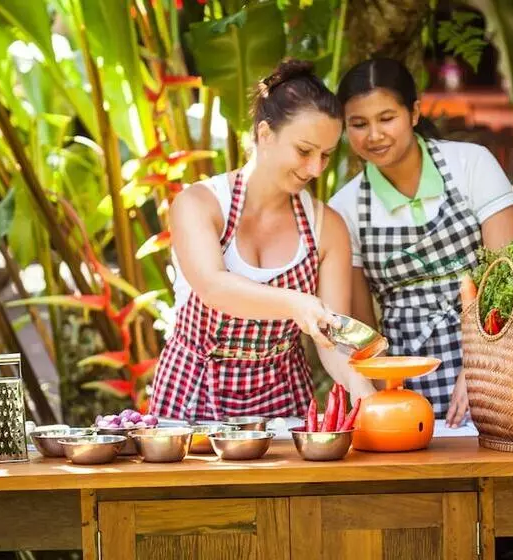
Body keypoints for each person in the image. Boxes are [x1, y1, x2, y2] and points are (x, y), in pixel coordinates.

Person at [149, 59, 375, 422]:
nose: (316, 169)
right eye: (304, 151)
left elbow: (334, 343)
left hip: (285, 398)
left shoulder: (326, 226)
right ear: (265, 134)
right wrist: (296, 303)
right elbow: (214, 288)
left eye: (326, 155)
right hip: (191, 395)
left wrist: (366, 395)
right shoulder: (200, 204)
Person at [329, 58, 513, 427]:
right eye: (358, 124)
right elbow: (362, 327)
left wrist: (481, 365)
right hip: (403, 382)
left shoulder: (471, 164)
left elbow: (509, 274)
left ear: (414, 113)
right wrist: (382, 397)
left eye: (387, 118)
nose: (374, 135)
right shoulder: (345, 207)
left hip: (495, 360)